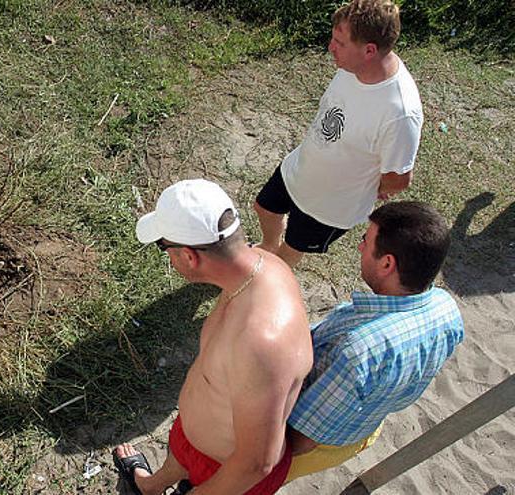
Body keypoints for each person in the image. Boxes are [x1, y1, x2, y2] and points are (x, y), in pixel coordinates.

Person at [113, 179, 313, 495]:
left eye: (164, 247)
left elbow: (256, 462)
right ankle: (148, 488)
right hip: (197, 440)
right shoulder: (257, 270)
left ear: (189, 256)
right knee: (172, 464)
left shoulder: (262, 343)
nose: (167, 257)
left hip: (223, 473)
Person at [284, 201, 464, 481]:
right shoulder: (446, 309)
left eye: (365, 241)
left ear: (387, 263)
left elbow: (301, 439)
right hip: (361, 427)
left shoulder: (356, 352)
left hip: (310, 442)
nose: (360, 247)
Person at [254, 0, 423, 268]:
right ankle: (267, 246)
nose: (330, 47)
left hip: (331, 205)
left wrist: (370, 188)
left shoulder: (400, 113)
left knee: (292, 248)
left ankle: (270, 277)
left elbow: (399, 179)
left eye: (339, 43)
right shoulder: (352, 67)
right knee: (264, 207)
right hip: (300, 169)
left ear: (369, 50)